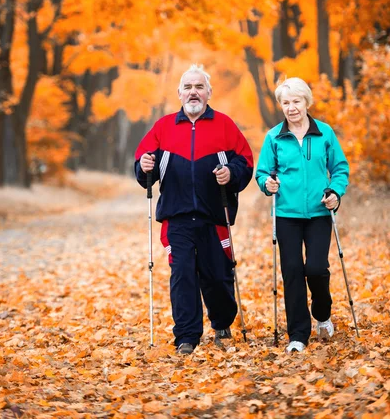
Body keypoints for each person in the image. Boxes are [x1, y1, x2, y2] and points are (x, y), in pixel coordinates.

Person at [134, 64, 253, 355]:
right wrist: (144, 167)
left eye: (199, 87)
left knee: (217, 275)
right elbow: (143, 163)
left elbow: (245, 161)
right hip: (177, 217)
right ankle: (186, 336)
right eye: (188, 87)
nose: (193, 92)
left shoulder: (224, 125)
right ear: (179, 94)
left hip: (214, 215)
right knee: (182, 274)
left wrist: (231, 174)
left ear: (209, 93)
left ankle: (222, 320)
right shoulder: (163, 127)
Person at [255, 77, 349, 353]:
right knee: (293, 271)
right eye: (286, 103)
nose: (291, 107)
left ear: (307, 102)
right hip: (286, 214)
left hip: (320, 211)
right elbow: (262, 173)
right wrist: (266, 183)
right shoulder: (274, 137)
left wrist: (335, 191)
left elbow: (340, 168)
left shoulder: (324, 133)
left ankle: (322, 313)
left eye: (296, 101)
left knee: (317, 269)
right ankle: (298, 334)